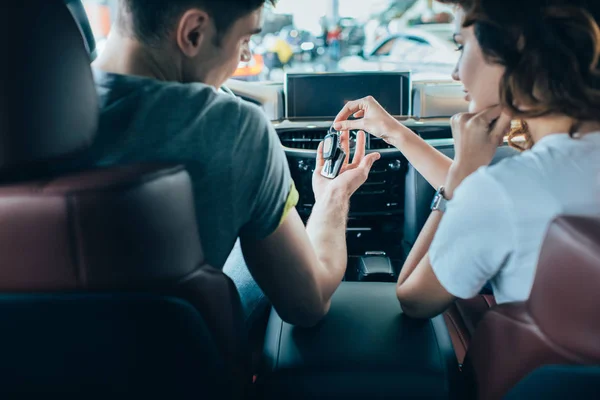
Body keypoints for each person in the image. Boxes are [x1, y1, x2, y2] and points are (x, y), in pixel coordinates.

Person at [83, 0, 381, 328]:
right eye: (244, 40)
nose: (246, 57)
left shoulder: (26, 119)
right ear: (193, 32)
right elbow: (307, 305)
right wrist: (333, 197)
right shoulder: (234, 126)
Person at [333, 0, 600, 319]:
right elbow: (501, 200)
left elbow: (413, 299)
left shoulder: (501, 191)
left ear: (517, 50)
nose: (455, 72)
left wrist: (459, 182)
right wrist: (395, 132)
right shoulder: (525, 183)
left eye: (461, 46)